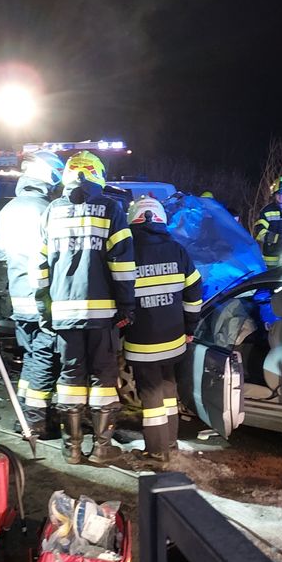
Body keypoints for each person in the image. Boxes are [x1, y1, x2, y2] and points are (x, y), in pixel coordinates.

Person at [34, 151, 136, 465]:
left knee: (69, 379)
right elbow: (121, 262)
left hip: (64, 313)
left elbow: (40, 266)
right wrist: (126, 304)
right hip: (102, 313)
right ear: (98, 175)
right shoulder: (110, 208)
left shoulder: (52, 211)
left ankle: (72, 450)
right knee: (103, 380)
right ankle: (101, 448)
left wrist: (44, 308)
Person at [123, 196, 202, 463]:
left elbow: (119, 294)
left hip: (142, 340)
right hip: (174, 338)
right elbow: (194, 289)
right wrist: (190, 325)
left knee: (151, 393)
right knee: (169, 388)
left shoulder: (127, 250)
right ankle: (170, 443)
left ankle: (157, 452)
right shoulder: (177, 249)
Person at [0, 149, 65, 438]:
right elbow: (55, 259)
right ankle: (35, 423)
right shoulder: (45, 211)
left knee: (31, 356)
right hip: (41, 301)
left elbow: (1, 254)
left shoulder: (8, 210)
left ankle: (25, 414)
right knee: (44, 358)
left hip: (19, 299)